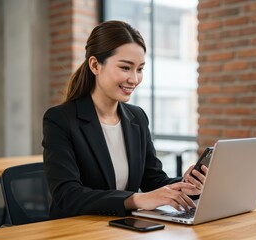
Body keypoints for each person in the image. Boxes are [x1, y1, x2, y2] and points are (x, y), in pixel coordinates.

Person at [42, 20, 208, 219]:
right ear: (95, 65)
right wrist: (136, 199)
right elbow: (67, 195)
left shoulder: (137, 117)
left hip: (122, 228)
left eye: (139, 69)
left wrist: (188, 185)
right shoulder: (60, 119)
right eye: (125, 68)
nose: (134, 79)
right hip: (75, 230)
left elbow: (153, 181)